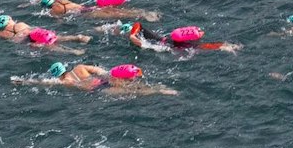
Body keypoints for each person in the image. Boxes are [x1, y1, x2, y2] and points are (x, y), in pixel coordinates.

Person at [13, 62, 178, 96]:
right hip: (103, 80)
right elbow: (101, 71)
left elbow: (42, 83)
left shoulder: (63, 82)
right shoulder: (79, 67)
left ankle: (161, 91)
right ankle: (163, 84)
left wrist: (23, 81)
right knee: (132, 84)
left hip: (98, 89)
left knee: (130, 92)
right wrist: (110, 75)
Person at [0, 14, 92, 51]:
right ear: (9, 20)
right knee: (57, 38)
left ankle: (73, 52)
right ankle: (78, 37)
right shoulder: (20, 24)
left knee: (48, 47)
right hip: (34, 34)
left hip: (25, 41)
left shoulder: (2, 33)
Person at [129, 21, 239, 54]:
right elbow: (209, 46)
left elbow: (138, 25)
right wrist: (226, 46)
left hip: (159, 42)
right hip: (159, 44)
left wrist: (133, 36)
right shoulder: (191, 45)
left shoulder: (161, 41)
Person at [38, 0, 157, 21]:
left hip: (86, 13)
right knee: (115, 11)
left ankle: (144, 16)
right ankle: (143, 13)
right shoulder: (61, 0)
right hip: (88, 7)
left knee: (115, 15)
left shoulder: (54, 10)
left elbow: (59, 20)